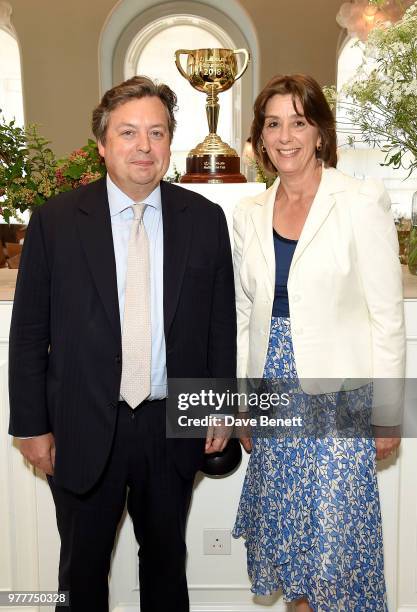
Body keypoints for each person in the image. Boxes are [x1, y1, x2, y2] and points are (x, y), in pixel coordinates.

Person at [8, 76, 236, 612]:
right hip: (82, 427)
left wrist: (219, 407)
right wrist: (31, 426)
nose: (144, 146)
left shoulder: (204, 221)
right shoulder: (55, 222)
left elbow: (218, 326)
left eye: (157, 133)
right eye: (128, 132)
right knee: (80, 574)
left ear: (170, 144)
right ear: (103, 144)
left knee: (165, 568)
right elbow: (28, 335)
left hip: (169, 428)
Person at [232, 74, 405, 611]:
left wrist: (387, 414)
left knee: (335, 547)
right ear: (260, 137)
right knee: (293, 545)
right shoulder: (248, 213)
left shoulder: (359, 200)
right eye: (273, 123)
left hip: (339, 400)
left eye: (299, 122)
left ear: (320, 133)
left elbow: (386, 316)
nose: (286, 136)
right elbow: (243, 315)